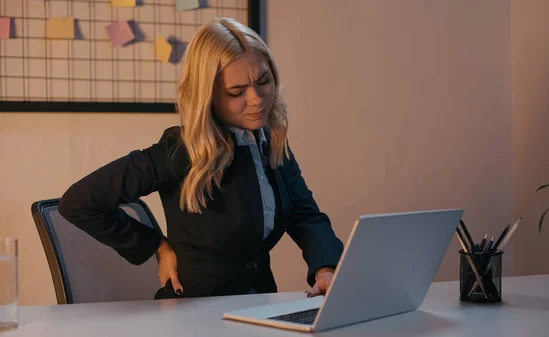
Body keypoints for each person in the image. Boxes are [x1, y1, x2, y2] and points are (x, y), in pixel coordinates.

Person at [57, 17, 344, 299]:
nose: (256, 99)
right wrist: (156, 244)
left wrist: (325, 268)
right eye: (237, 92)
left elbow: (305, 215)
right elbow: (79, 202)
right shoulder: (181, 150)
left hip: (255, 305)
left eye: (263, 81)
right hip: (193, 309)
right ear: (208, 96)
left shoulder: (270, 141)